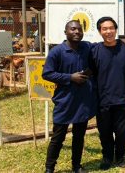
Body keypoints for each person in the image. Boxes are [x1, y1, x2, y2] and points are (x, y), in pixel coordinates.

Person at [42, 20, 96, 173]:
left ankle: (76, 166)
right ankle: (49, 168)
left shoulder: (87, 47)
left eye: (79, 29)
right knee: (58, 137)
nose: (77, 32)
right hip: (64, 101)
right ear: (65, 32)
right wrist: (70, 78)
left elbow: (101, 49)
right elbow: (47, 73)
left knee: (79, 136)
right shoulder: (57, 52)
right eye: (73, 29)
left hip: (83, 101)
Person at [89, 16, 125, 170]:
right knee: (104, 132)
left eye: (111, 28)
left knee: (122, 132)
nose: (108, 31)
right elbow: (91, 75)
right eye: (104, 29)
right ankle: (107, 157)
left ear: (116, 29)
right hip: (103, 101)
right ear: (100, 31)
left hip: (123, 99)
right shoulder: (95, 51)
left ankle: (119, 157)